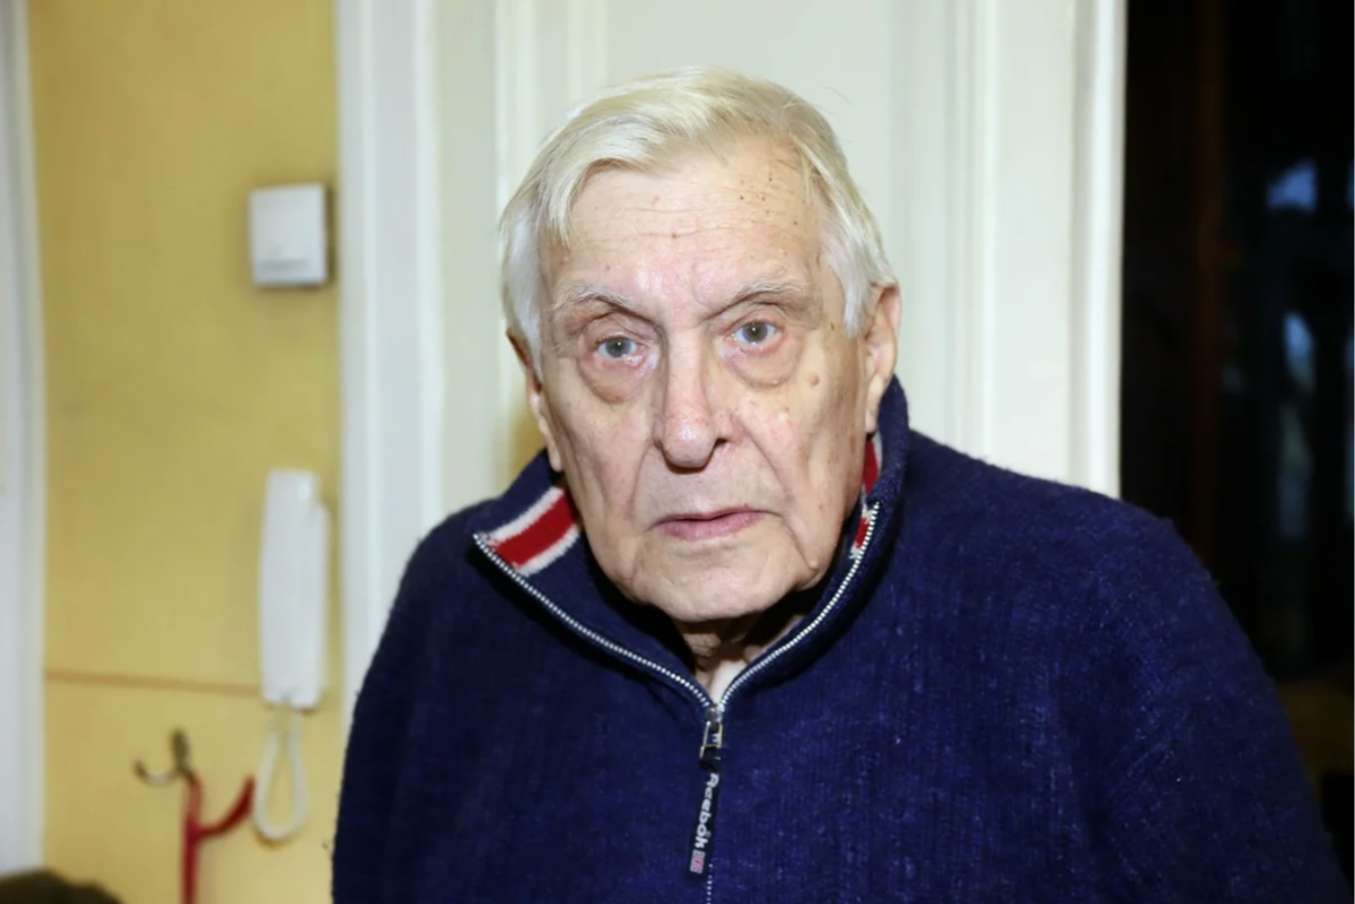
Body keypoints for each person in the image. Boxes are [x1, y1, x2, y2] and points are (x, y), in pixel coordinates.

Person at [333, 68, 1347, 902]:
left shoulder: (1107, 608)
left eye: (755, 330)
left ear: (869, 347)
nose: (686, 428)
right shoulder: (454, 610)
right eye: (615, 346)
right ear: (541, 395)